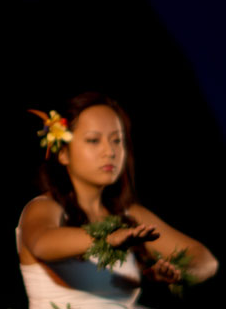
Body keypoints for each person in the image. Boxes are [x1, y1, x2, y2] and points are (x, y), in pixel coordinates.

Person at [16, 92, 218, 308]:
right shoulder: (45, 207)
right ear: (63, 153)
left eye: (117, 140)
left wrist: (177, 273)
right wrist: (107, 239)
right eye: (94, 140)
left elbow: (205, 260)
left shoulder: (128, 215)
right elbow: (42, 243)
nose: (109, 151)